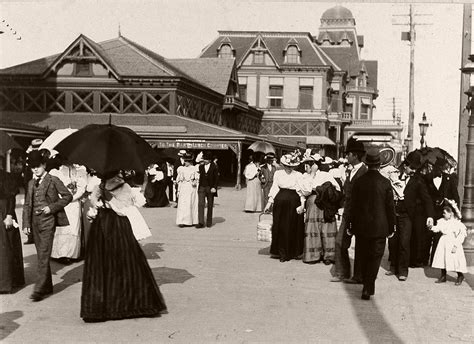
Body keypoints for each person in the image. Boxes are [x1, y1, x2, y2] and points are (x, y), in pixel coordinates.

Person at [81, 171, 166, 322]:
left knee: (123, 262)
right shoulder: (99, 186)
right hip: (101, 226)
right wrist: (95, 204)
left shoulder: (123, 186)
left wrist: (109, 200)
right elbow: (94, 203)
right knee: (101, 264)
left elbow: (124, 208)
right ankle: (101, 305)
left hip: (118, 226)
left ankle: (127, 304)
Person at [22, 150, 72, 301]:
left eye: (37, 166)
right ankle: (47, 286)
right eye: (32, 167)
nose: (35, 169)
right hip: (34, 224)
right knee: (41, 255)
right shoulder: (31, 183)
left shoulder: (53, 180)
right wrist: (25, 224)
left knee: (43, 255)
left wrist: (52, 207)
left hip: (48, 222)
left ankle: (38, 289)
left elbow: (68, 196)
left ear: (44, 164)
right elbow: (26, 205)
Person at [349, 148, 396, 300]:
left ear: (367, 164)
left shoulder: (359, 182)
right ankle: (368, 287)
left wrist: (350, 224)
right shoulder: (385, 183)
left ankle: (365, 285)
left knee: (363, 255)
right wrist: (391, 226)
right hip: (380, 228)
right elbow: (390, 207)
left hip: (361, 227)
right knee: (375, 257)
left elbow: (353, 205)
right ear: (379, 164)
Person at [388, 152, 434, 281]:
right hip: (393, 213)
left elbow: (427, 199)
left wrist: (430, 215)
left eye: (416, 169)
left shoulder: (418, 180)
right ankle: (394, 267)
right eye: (412, 168)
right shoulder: (394, 176)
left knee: (404, 242)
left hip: (406, 215)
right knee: (393, 241)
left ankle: (403, 271)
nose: (414, 171)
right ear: (405, 166)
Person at [331, 138, 367, 283]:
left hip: (360, 215)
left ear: (355, 155)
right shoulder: (349, 171)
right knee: (340, 242)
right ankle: (342, 272)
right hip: (347, 214)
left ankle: (358, 276)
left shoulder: (365, 171)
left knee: (360, 246)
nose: (346, 157)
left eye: (348, 154)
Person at [298, 152, 341, 265]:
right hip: (312, 205)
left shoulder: (325, 175)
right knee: (313, 228)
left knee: (327, 228)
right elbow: (305, 191)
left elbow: (337, 188)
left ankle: (329, 256)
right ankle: (313, 255)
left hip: (326, 204)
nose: (306, 167)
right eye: (306, 164)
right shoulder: (304, 176)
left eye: (308, 164)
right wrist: (311, 175)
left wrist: (324, 191)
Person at [263, 151, 305, 262]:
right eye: (287, 166)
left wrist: (302, 205)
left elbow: (301, 191)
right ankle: (281, 252)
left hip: (293, 202)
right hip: (280, 202)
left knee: (291, 227)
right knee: (280, 226)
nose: (288, 168)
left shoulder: (298, 175)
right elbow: (274, 188)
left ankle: (292, 252)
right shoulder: (278, 174)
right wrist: (269, 202)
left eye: (291, 166)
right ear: (283, 165)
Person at [49, 159, 87, 262]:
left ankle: (72, 254)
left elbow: (81, 188)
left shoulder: (80, 171)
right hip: (62, 203)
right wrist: (62, 199)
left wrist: (73, 198)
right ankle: (60, 254)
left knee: (74, 227)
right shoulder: (56, 172)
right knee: (62, 228)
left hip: (74, 203)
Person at [425, 158, 459, 265]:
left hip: (443, 213)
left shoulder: (449, 179)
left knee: (439, 237)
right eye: (437, 168)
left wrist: (455, 212)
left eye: (441, 168)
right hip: (430, 212)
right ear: (434, 168)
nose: (439, 171)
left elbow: (455, 196)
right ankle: (424, 259)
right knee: (427, 234)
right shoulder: (428, 179)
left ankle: (435, 261)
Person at [0, 156, 25, 293]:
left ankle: (6, 283)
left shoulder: (7, 177)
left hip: (4, 213)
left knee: (6, 247)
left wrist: (9, 215)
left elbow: (11, 198)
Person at [430, 199, 467, 286]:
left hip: (453, 242)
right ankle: (443, 275)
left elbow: (461, 235)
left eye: (445, 213)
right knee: (442, 258)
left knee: (455, 259)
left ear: (451, 214)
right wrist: (431, 227)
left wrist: (456, 245)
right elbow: (437, 228)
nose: (443, 215)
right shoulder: (442, 221)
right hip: (444, 241)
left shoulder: (456, 223)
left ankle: (460, 275)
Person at [176, 153, 199, 227]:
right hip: (183, 187)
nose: (185, 162)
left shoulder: (194, 168)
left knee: (191, 203)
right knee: (183, 204)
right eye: (185, 161)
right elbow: (179, 180)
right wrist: (178, 190)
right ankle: (182, 221)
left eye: (186, 161)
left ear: (190, 161)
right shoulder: (181, 169)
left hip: (191, 187)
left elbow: (197, 178)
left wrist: (195, 181)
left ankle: (192, 220)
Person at [197, 151, 218, 228]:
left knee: (210, 205)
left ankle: (209, 222)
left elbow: (216, 179)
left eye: (206, 159)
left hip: (210, 187)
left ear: (209, 160)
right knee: (200, 204)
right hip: (202, 186)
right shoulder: (200, 167)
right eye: (204, 159)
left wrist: (214, 187)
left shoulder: (214, 167)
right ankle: (201, 222)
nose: (204, 161)